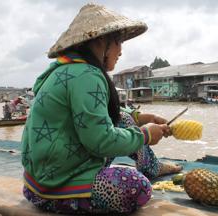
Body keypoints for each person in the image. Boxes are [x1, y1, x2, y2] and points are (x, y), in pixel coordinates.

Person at [21, 3, 180, 215]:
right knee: (137, 186)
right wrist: (145, 135)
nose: (121, 51)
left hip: (35, 185)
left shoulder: (65, 69)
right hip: (56, 190)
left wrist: (139, 117)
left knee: (124, 121)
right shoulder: (87, 75)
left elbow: (94, 115)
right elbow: (99, 141)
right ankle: (145, 170)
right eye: (118, 42)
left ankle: (152, 166)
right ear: (101, 41)